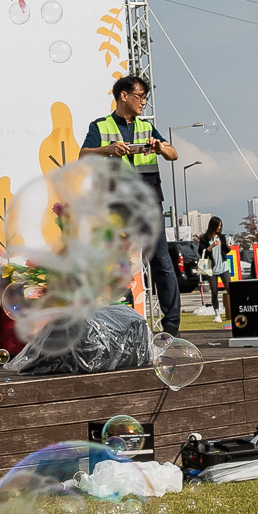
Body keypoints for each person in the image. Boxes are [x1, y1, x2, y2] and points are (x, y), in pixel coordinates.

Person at [86, 75, 179, 335]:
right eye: (139, 97)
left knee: (161, 260)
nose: (143, 102)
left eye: (145, 98)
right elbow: (82, 155)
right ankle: (124, 324)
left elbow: (174, 154)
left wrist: (159, 146)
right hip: (117, 204)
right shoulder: (100, 126)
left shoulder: (147, 127)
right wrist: (108, 150)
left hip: (149, 200)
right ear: (123, 95)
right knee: (119, 262)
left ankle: (172, 326)